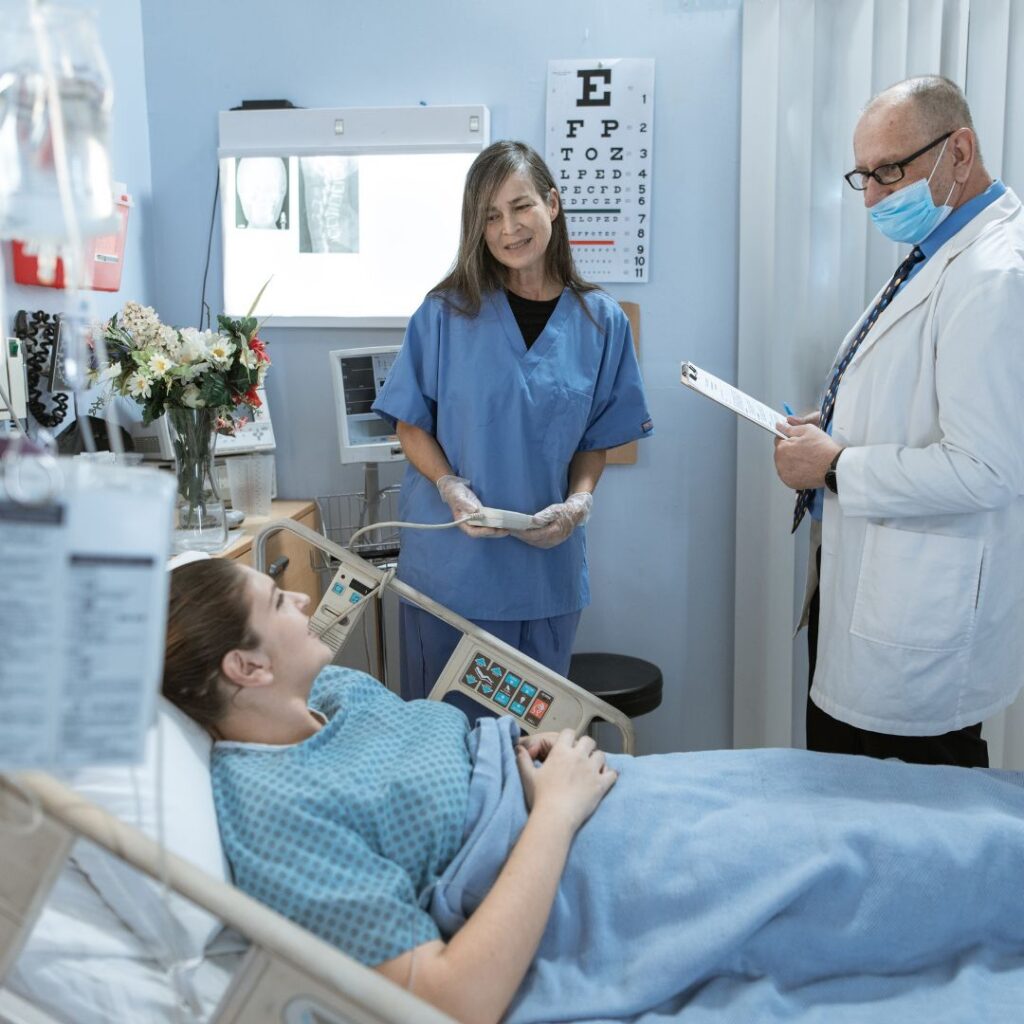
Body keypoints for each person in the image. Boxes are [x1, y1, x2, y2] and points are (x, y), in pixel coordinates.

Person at [163, 558, 1024, 1024]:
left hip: (589, 790)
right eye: (280, 600)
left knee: (845, 794)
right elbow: (450, 1000)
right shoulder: (272, 820)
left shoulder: (335, 696)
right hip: (571, 863)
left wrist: (524, 754)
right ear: (247, 665)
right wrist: (557, 813)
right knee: (862, 858)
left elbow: (435, 763)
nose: (306, 596)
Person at [774, 76, 1024, 768]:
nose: (877, 197)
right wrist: (830, 429)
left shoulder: (997, 277)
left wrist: (832, 465)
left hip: (920, 628)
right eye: (866, 177)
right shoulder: (940, 252)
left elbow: (989, 467)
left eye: (890, 171)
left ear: (961, 151)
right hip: (875, 597)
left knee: (911, 845)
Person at [371, 140, 652, 702]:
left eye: (520, 207)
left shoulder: (600, 323)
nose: (508, 229)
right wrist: (449, 487)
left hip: (545, 577)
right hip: (452, 574)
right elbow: (410, 424)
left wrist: (578, 504)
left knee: (529, 751)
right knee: (448, 750)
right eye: (490, 216)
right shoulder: (443, 314)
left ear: (552, 204)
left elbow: (594, 440)